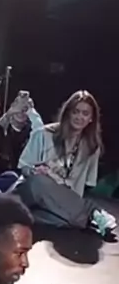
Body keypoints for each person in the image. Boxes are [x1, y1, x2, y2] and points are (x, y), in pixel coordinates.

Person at [16, 90, 116, 236]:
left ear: (91, 119)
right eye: (75, 112)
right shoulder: (43, 134)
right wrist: (34, 171)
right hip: (32, 191)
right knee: (39, 182)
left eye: (85, 113)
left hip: (58, 203)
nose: (79, 117)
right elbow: (24, 167)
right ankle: (92, 212)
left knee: (65, 221)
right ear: (68, 113)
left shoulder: (92, 147)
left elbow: (86, 185)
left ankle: (80, 217)